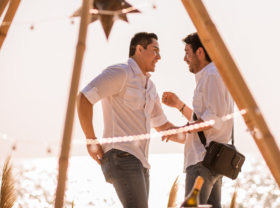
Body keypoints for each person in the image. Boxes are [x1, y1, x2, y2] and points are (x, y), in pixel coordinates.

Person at [76, 32, 180, 208]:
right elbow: (84, 98)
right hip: (121, 156)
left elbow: (163, 126)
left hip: (141, 163)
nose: (159, 57)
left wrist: (196, 137)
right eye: (155, 51)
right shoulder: (120, 72)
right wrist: (91, 139)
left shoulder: (150, 87)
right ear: (139, 49)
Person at [161, 32, 234, 208]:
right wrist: (178, 104)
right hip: (212, 162)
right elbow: (206, 119)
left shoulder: (211, 75)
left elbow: (212, 121)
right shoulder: (213, 75)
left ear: (200, 52)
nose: (185, 58)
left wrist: (180, 129)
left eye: (187, 52)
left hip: (203, 162)